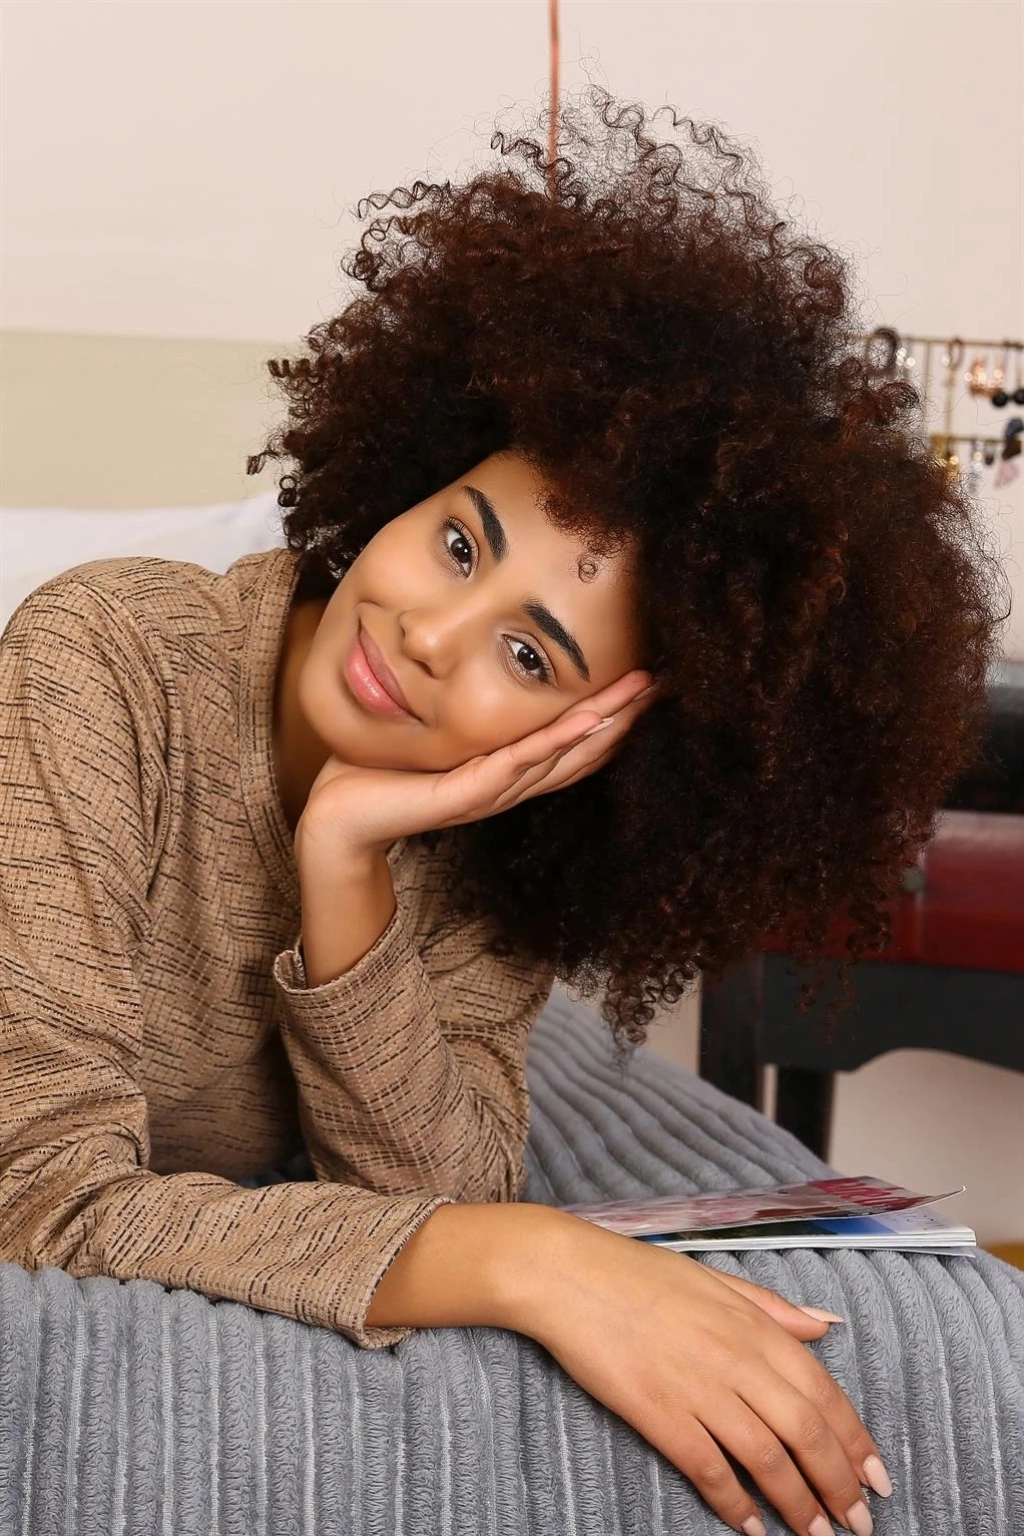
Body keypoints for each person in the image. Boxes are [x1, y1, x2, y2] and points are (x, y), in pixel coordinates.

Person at [0, 88, 1007, 1536]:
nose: (429, 634)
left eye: (530, 657)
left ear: (601, 741)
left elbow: (433, 1180)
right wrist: (540, 1264)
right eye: (460, 542)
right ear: (414, 479)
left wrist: (345, 866)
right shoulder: (101, 663)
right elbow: (42, 1200)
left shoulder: (498, 846)